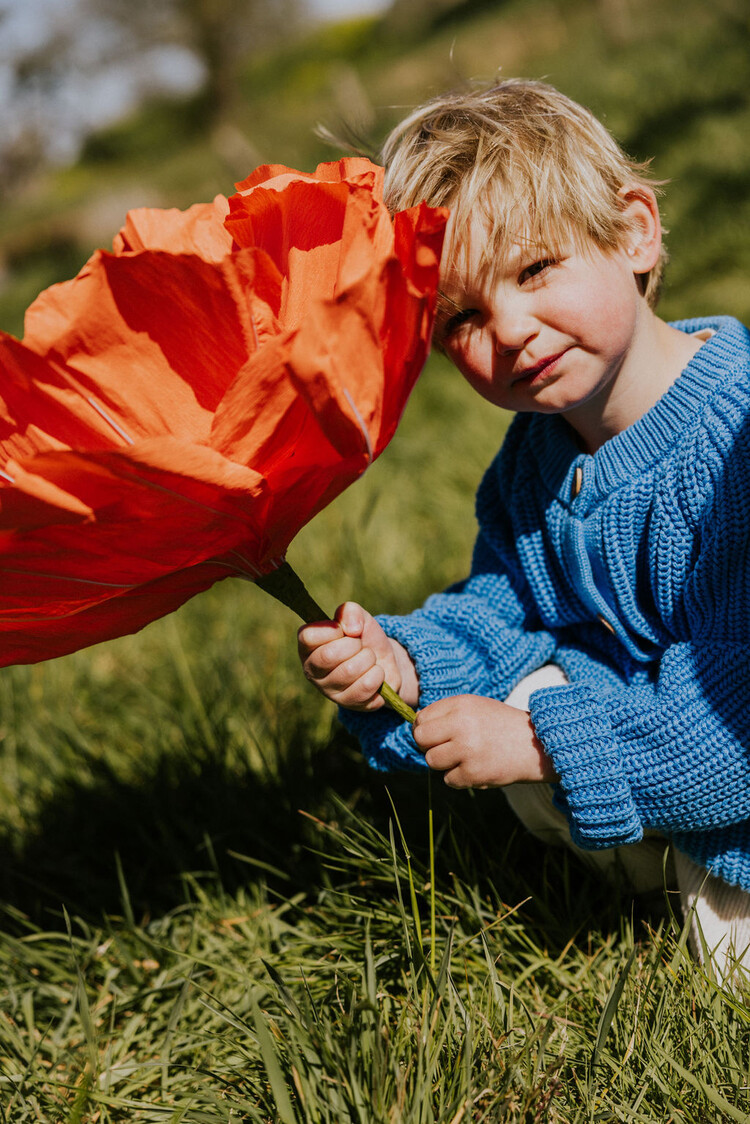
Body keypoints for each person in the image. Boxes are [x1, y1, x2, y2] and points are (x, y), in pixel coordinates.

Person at [297, 78, 750, 981]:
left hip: (729, 750)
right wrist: (402, 665)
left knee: (727, 977)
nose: (508, 329)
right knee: (533, 677)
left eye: (535, 270)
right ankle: (654, 875)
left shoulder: (735, 441)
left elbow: (736, 721)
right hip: (658, 757)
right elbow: (502, 613)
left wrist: (542, 745)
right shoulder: (532, 465)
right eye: (462, 316)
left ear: (634, 233)